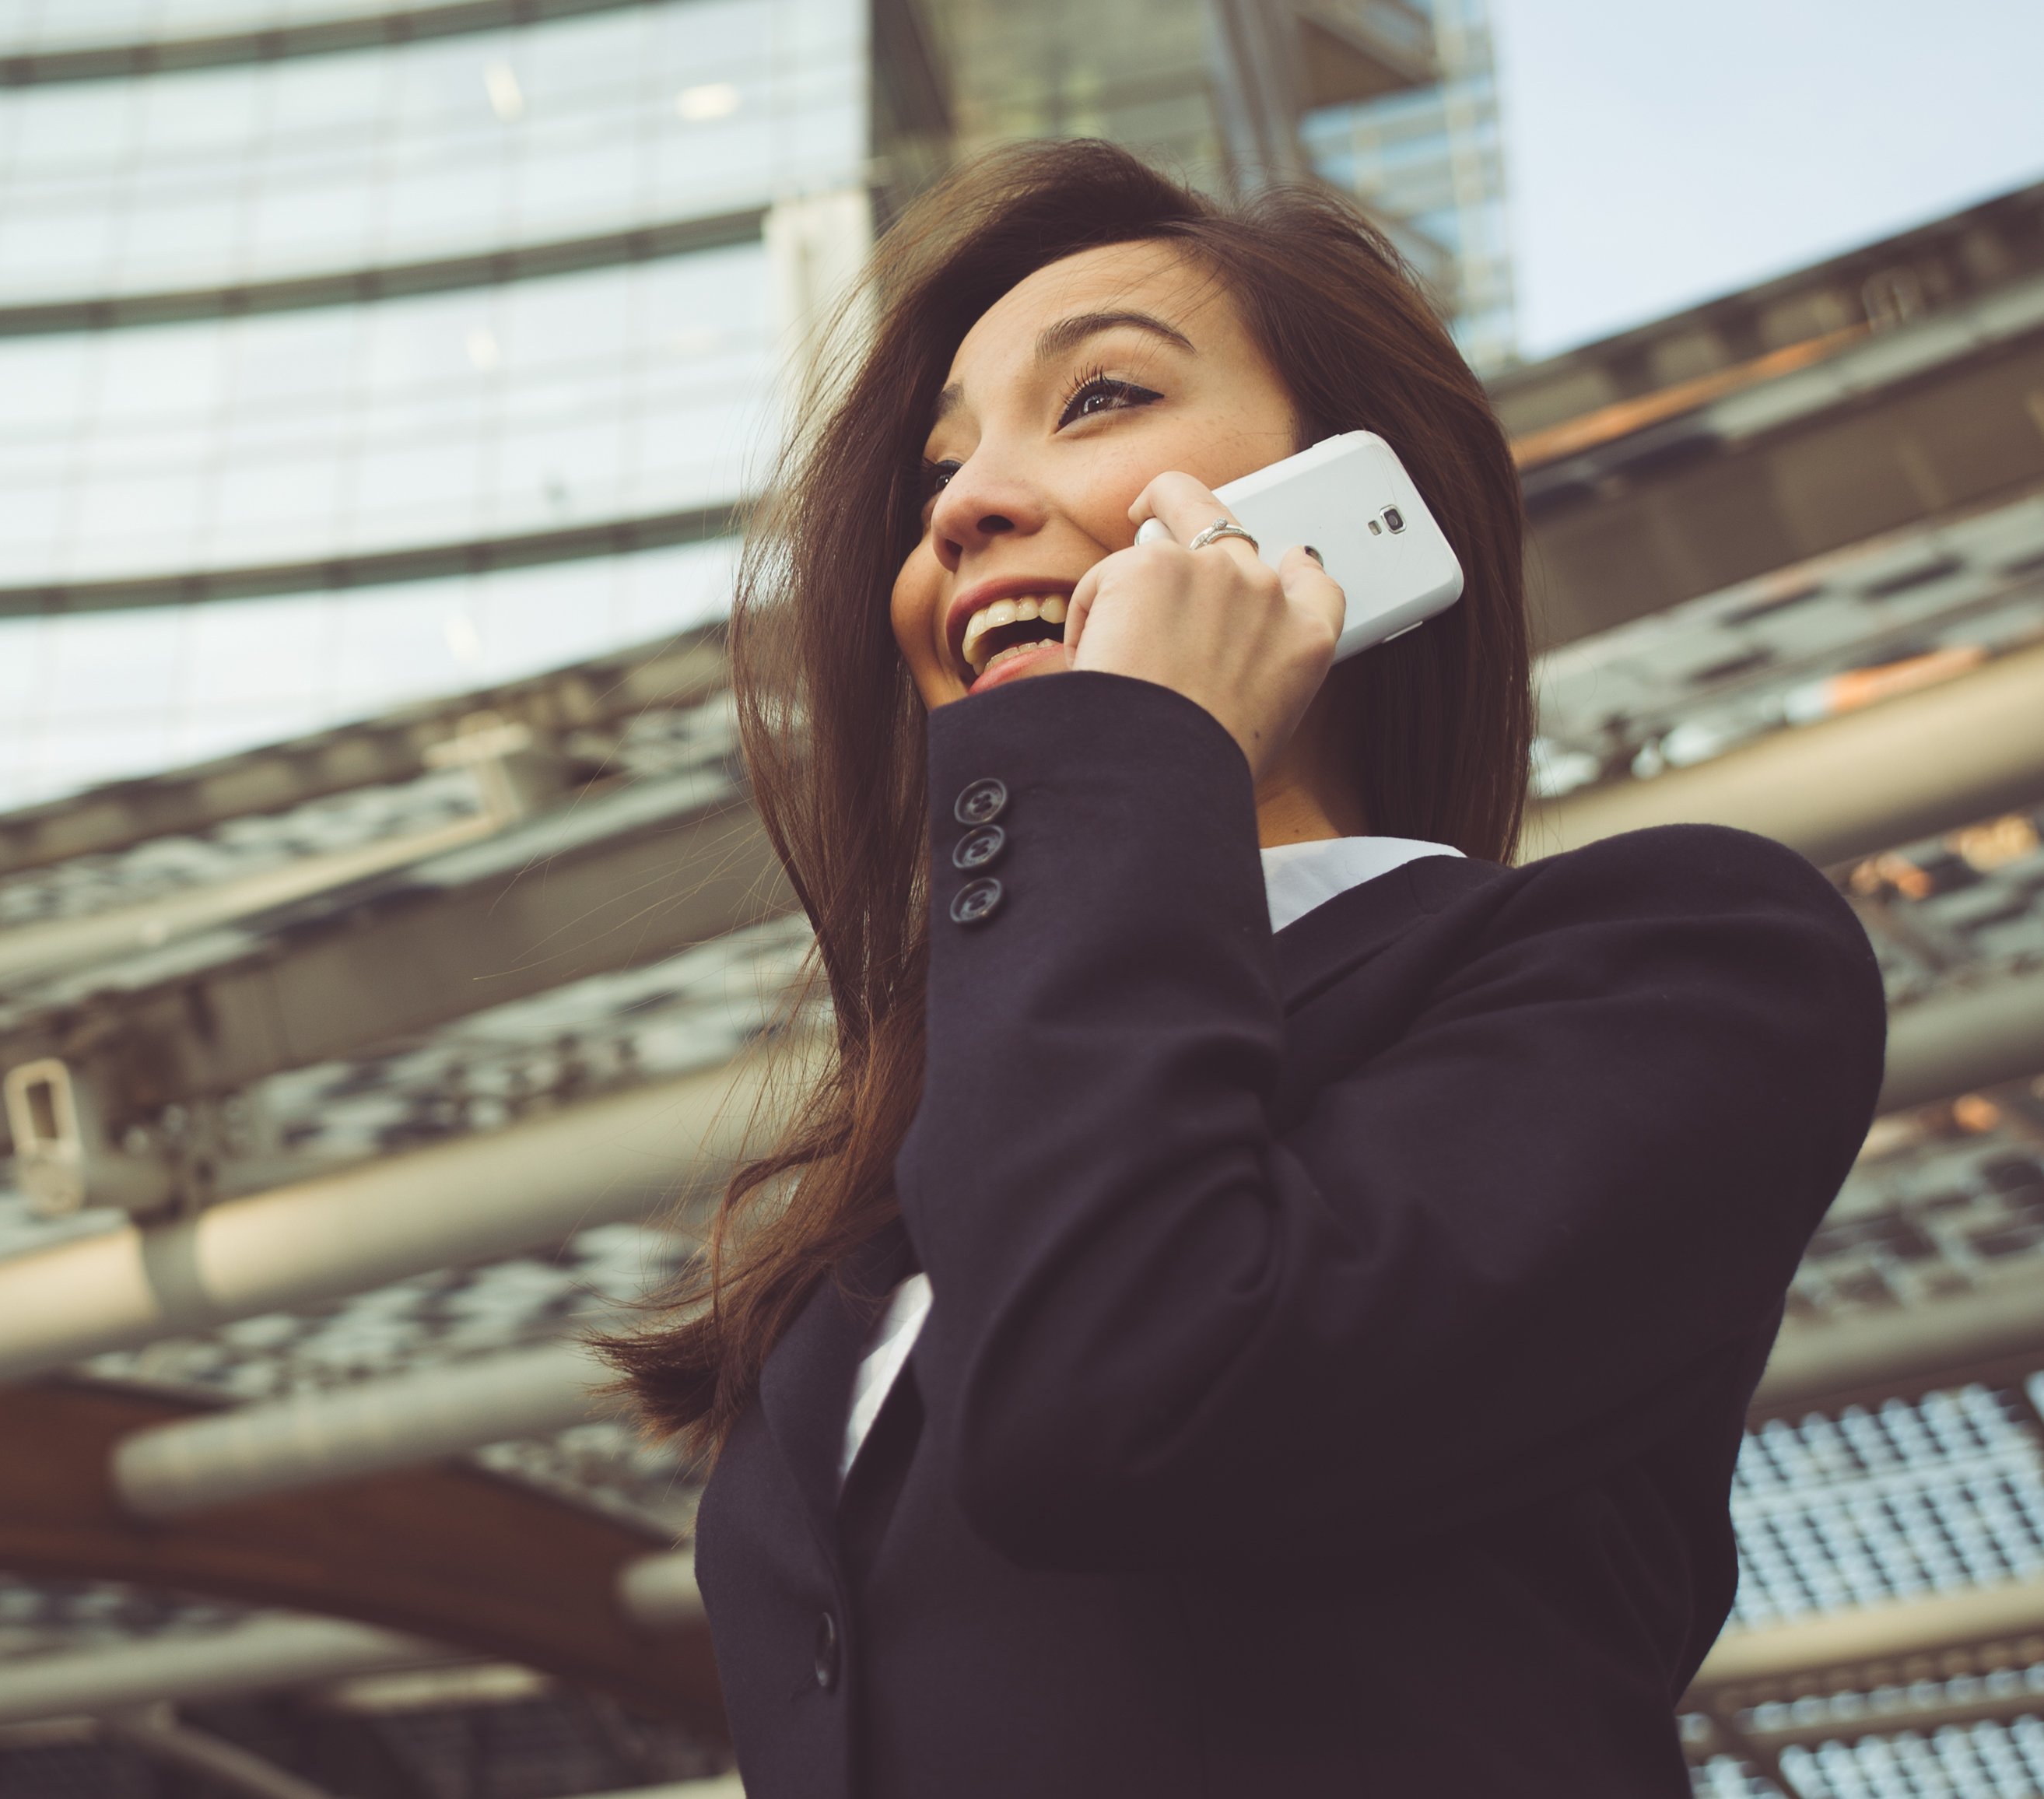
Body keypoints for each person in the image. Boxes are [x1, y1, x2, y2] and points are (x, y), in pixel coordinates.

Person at [603, 140, 1886, 1795]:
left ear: (1356, 496)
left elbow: (1127, 1395)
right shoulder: (894, 1220)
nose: (963, 508)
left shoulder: (1689, 963)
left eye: (1097, 398)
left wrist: (1125, 757)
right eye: (937, 471)